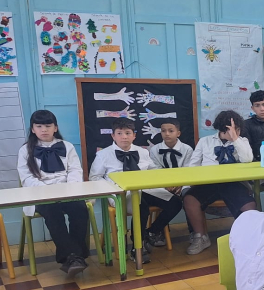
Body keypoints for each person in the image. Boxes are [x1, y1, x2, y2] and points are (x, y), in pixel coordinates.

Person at [18, 109, 89, 276]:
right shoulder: (25, 150)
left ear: (55, 128)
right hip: (40, 193)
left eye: (48, 126)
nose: (44, 130)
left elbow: (75, 171)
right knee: (52, 211)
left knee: (80, 209)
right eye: (39, 126)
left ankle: (71, 256)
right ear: (33, 129)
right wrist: (45, 190)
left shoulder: (67, 146)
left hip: (67, 191)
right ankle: (74, 256)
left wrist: (69, 189)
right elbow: (26, 177)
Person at [184, 110, 254, 255]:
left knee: (250, 205)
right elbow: (193, 165)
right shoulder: (205, 141)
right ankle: (200, 237)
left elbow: (247, 159)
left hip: (233, 183)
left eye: (238, 129)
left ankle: (246, 238)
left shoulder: (242, 141)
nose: (237, 132)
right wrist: (190, 183)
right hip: (209, 183)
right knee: (190, 199)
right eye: (233, 129)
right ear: (223, 129)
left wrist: (236, 139)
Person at [89, 119, 156, 263]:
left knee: (174, 202)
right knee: (141, 207)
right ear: (113, 136)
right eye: (119, 133)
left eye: (127, 133)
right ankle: (137, 246)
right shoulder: (103, 155)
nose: (124, 137)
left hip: (144, 189)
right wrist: (112, 188)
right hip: (119, 193)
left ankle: (151, 233)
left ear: (134, 135)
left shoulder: (142, 152)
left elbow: (153, 169)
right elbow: (94, 177)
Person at [143, 121, 192, 247]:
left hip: (183, 184)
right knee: (168, 200)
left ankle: (194, 232)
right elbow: (156, 170)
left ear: (178, 133)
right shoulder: (154, 149)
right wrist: (166, 185)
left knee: (189, 198)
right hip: (163, 185)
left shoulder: (187, 149)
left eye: (171, 131)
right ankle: (156, 231)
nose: (167, 134)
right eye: (163, 131)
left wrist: (179, 184)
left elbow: (188, 170)